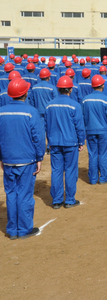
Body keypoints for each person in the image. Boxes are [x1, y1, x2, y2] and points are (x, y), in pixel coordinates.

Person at [0, 78, 45, 239]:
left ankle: (12, 230)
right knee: (24, 194)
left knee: (11, 194)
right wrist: (39, 157)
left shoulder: (1, 111)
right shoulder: (31, 111)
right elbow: (38, 137)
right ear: (25, 93)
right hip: (26, 160)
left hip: (8, 159)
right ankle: (24, 229)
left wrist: (1, 157)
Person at [45, 75, 86, 209]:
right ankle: (69, 200)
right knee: (70, 171)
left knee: (56, 171)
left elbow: (46, 125)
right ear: (70, 89)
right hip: (70, 142)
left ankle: (57, 200)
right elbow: (79, 126)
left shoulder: (49, 105)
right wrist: (81, 141)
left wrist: (49, 141)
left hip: (54, 143)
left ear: (58, 89)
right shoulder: (75, 105)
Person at [82, 75, 107, 185]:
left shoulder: (85, 100)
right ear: (102, 86)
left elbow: (83, 116)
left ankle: (92, 178)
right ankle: (103, 177)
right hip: (103, 131)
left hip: (90, 131)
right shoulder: (106, 100)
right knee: (103, 155)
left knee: (92, 154)